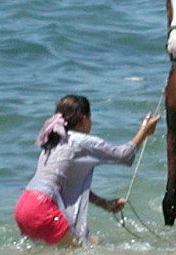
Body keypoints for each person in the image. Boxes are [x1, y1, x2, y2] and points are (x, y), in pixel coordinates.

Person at [14, 95, 159, 245]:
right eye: (90, 118)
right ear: (84, 119)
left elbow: (67, 186)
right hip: (43, 206)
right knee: (78, 253)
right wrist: (144, 131)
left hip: (24, 206)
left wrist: (104, 204)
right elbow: (124, 155)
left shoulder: (53, 142)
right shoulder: (81, 141)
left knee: (91, 243)